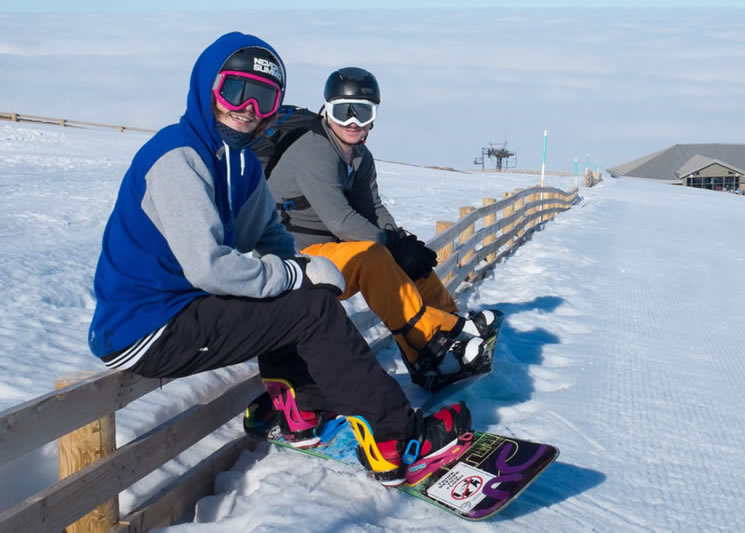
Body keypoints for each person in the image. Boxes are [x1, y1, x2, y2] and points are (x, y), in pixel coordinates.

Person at [87, 32, 470, 485]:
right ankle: (397, 437)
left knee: (302, 300)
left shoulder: (243, 164)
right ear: (208, 87)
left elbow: (270, 237)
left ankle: (299, 408)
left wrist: (300, 270)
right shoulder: (177, 158)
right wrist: (293, 275)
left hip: (184, 309)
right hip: (144, 328)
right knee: (306, 306)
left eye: (264, 97)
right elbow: (209, 266)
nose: (248, 108)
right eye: (235, 90)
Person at [260, 67, 499, 392]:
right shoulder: (313, 151)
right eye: (343, 112)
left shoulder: (359, 156)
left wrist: (400, 241)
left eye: (363, 111)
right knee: (374, 256)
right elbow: (341, 221)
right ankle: (435, 342)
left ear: (374, 116)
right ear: (327, 109)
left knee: (408, 260)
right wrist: (389, 243)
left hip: (329, 254)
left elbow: (372, 209)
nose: (353, 121)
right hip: (293, 261)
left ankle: (452, 324)